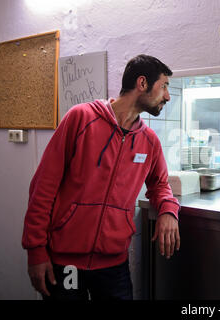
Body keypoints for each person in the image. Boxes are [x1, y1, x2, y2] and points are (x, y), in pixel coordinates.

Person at [22, 54, 180, 300]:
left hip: (112, 266)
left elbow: (160, 185)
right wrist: (35, 250)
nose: (168, 96)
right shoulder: (81, 118)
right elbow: (43, 187)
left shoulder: (150, 141)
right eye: (164, 86)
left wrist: (168, 212)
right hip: (66, 264)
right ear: (142, 84)